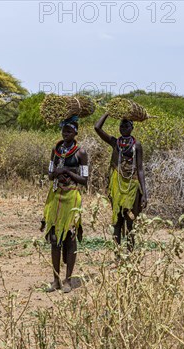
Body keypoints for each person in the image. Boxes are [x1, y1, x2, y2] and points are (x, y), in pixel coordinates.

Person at [41, 116, 89, 293]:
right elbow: (50, 174)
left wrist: (67, 171)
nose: (65, 133)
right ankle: (55, 280)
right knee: (54, 238)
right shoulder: (57, 149)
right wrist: (57, 173)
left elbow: (84, 180)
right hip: (56, 196)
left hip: (72, 197)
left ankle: (68, 280)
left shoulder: (81, 153)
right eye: (64, 130)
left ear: (76, 132)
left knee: (70, 237)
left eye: (69, 131)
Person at [94, 114, 147, 249]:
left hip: (131, 185)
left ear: (132, 127)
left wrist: (145, 194)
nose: (123, 128)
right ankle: (117, 254)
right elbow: (97, 128)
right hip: (117, 185)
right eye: (121, 126)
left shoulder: (137, 145)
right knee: (117, 220)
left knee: (130, 221)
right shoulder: (115, 142)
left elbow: (140, 169)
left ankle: (130, 254)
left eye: (126, 126)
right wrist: (107, 113)